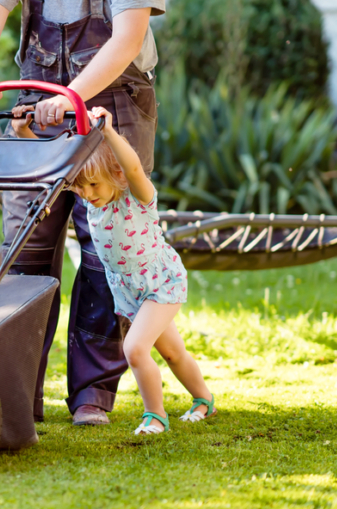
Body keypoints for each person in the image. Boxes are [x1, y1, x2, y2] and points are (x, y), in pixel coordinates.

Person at [0, 0, 166, 425]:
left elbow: (127, 37)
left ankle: (92, 395)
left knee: (106, 252)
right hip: (40, 105)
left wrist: (72, 96)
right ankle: (15, 394)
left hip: (113, 103)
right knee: (25, 248)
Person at [13, 105, 216, 434]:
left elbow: (134, 167)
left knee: (135, 349)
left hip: (159, 282)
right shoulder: (87, 192)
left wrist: (107, 132)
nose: (85, 194)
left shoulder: (136, 197)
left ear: (116, 176)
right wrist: (23, 131)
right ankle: (204, 400)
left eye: (92, 185)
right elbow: (52, 167)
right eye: (80, 186)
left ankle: (155, 415)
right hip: (129, 289)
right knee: (173, 353)